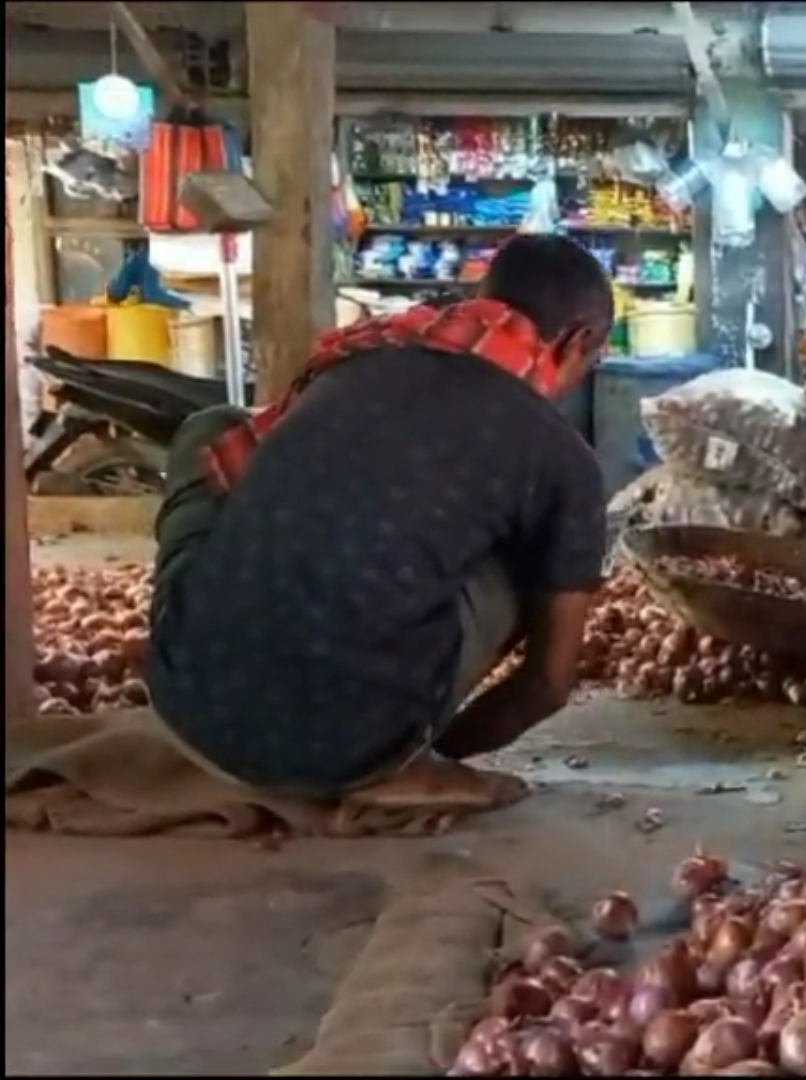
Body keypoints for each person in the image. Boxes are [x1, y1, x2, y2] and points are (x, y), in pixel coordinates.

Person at [144, 235, 614, 805]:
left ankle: (224, 637)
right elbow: (548, 685)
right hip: (354, 748)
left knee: (211, 426)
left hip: (188, 708)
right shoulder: (560, 458)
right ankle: (394, 761)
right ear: (579, 340)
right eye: (594, 360)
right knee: (540, 556)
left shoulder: (360, 357)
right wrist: (439, 755)